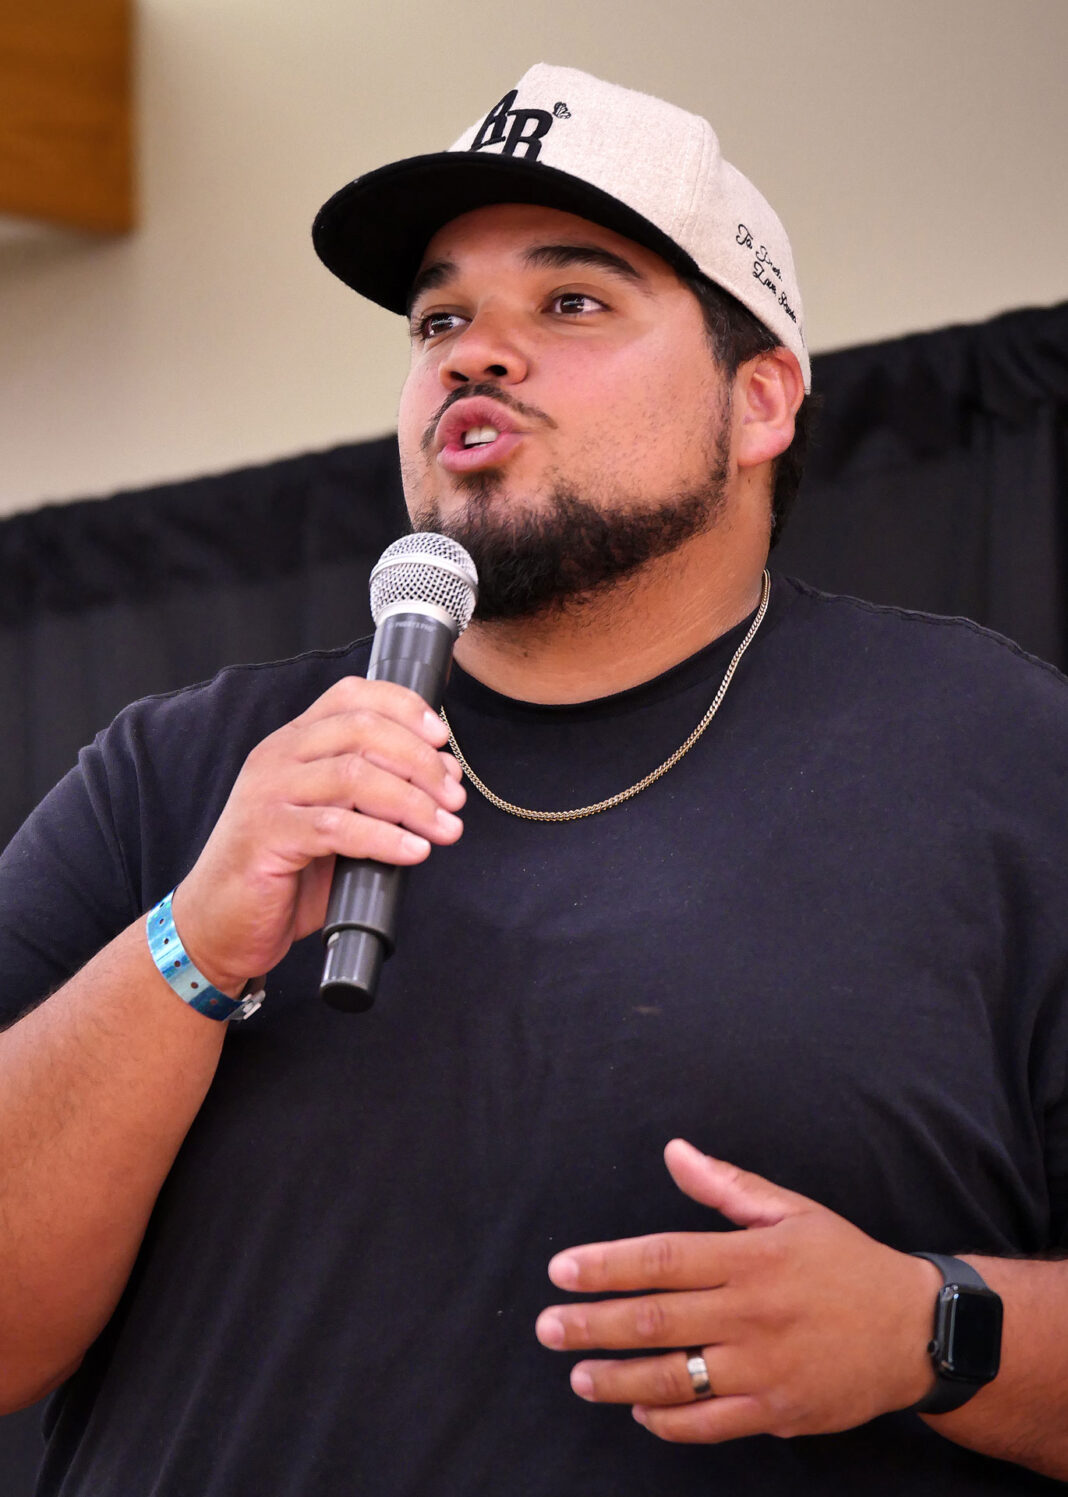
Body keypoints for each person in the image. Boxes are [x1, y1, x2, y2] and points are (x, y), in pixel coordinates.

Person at [1, 63, 1067, 1496]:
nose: (473, 355)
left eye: (571, 304)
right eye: (441, 317)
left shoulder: (997, 753)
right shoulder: (181, 772)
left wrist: (935, 1329)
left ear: (760, 401)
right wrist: (185, 947)